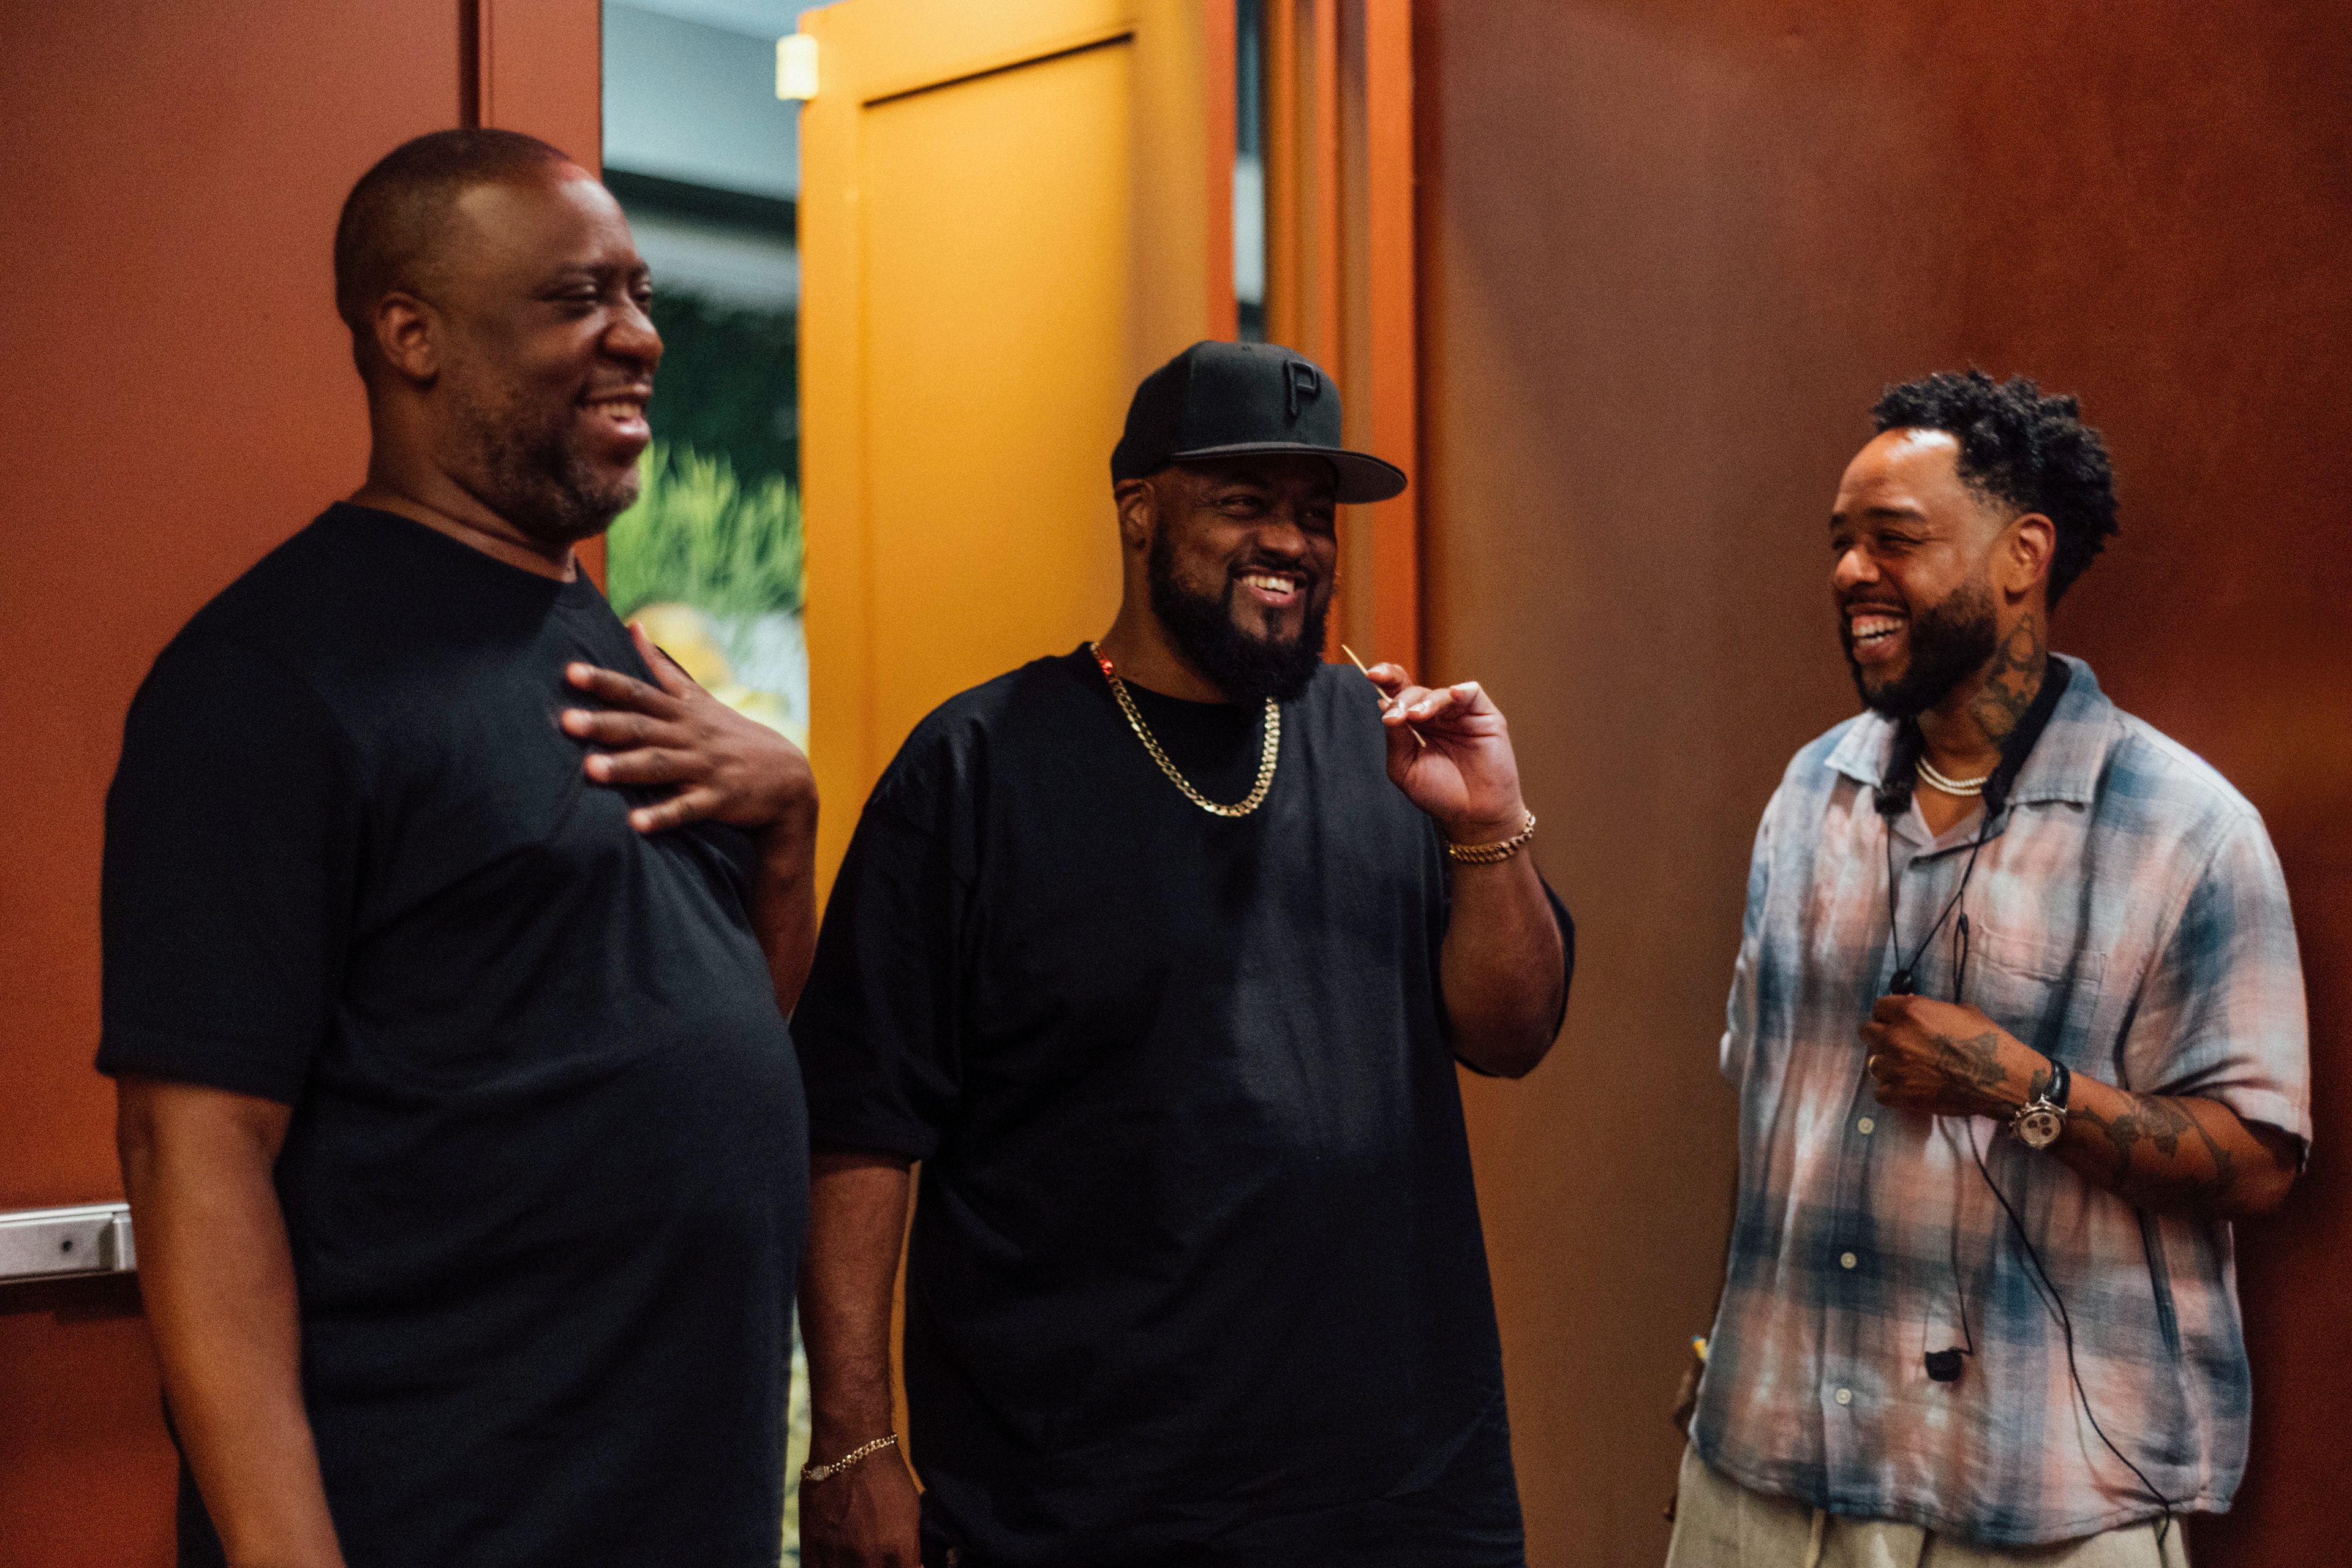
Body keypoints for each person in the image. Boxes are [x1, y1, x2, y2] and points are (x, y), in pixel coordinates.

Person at [99, 129, 818, 1568]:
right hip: (445, 1515)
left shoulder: (600, 643)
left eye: (639, 291)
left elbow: (735, 1033)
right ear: (410, 334)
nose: (640, 335)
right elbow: (193, 1154)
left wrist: (788, 826)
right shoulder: (269, 679)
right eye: (577, 298)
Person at [791, 340, 1573, 1568]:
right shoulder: (977, 771)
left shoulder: (1396, 749)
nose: (1292, 542)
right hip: (1081, 1507)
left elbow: (1511, 1033)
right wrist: (853, 1441)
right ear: (1139, 510)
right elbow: (855, 1127)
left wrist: (1488, 830)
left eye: (1313, 513)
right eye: (1245, 501)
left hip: (1403, 1500)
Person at [1668, 372, 2310, 1566]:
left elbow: (2260, 1162)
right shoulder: (1810, 796)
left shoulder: (2187, 829)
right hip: (1764, 1477)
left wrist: (2024, 1087)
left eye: (1894, 538)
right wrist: (1724, 1372)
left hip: (2038, 1504)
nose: (1851, 571)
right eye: (1841, 541)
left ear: (2024, 555)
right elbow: (1774, 1119)